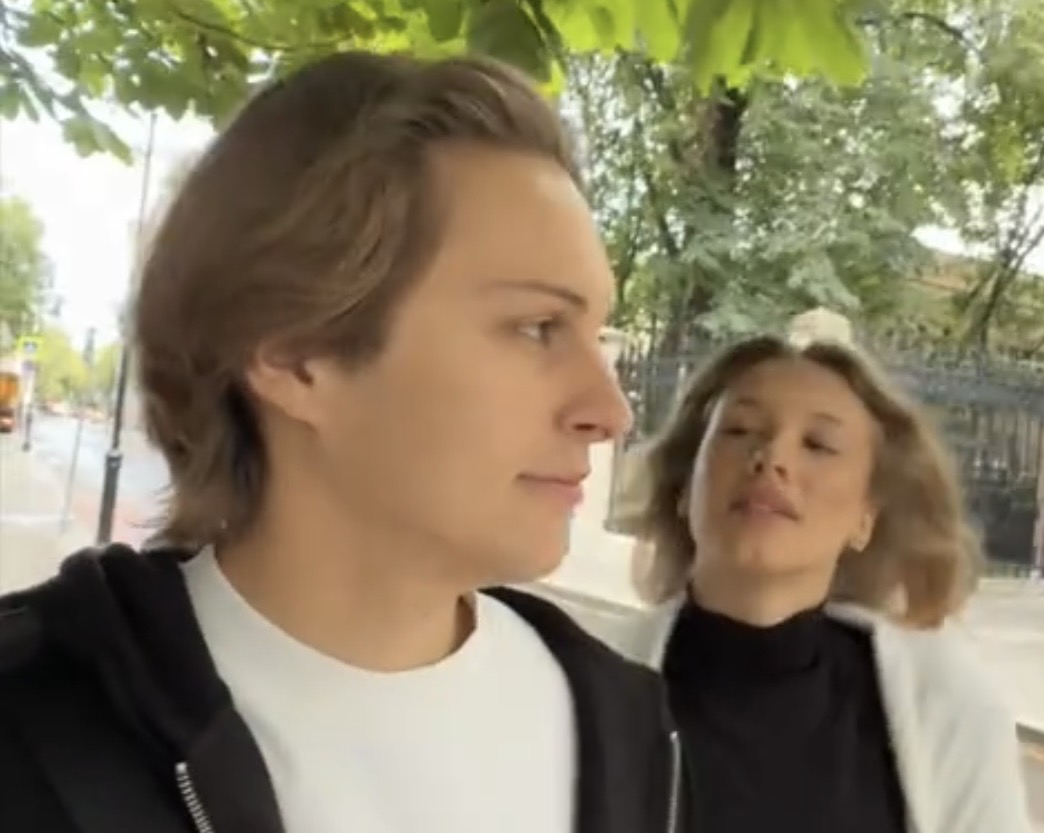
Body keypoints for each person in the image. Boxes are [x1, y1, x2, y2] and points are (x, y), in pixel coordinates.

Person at [0, 52, 686, 833]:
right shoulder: (33, 735)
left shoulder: (630, 731)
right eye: (537, 328)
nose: (611, 411)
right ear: (296, 355)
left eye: (596, 334)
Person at [618, 335, 1034, 833]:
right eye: (740, 429)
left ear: (865, 518)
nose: (772, 457)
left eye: (818, 445)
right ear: (687, 488)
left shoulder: (947, 707)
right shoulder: (586, 685)